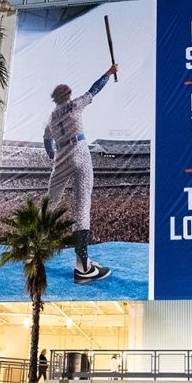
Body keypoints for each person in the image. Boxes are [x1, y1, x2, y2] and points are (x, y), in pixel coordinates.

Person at [44, 63, 119, 285]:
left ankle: (33, 248)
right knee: (82, 206)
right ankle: (82, 266)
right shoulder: (76, 105)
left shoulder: (51, 118)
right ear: (67, 95)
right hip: (79, 151)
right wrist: (109, 72)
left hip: (61, 158)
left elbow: (47, 140)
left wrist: (52, 156)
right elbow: (95, 88)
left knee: (50, 204)